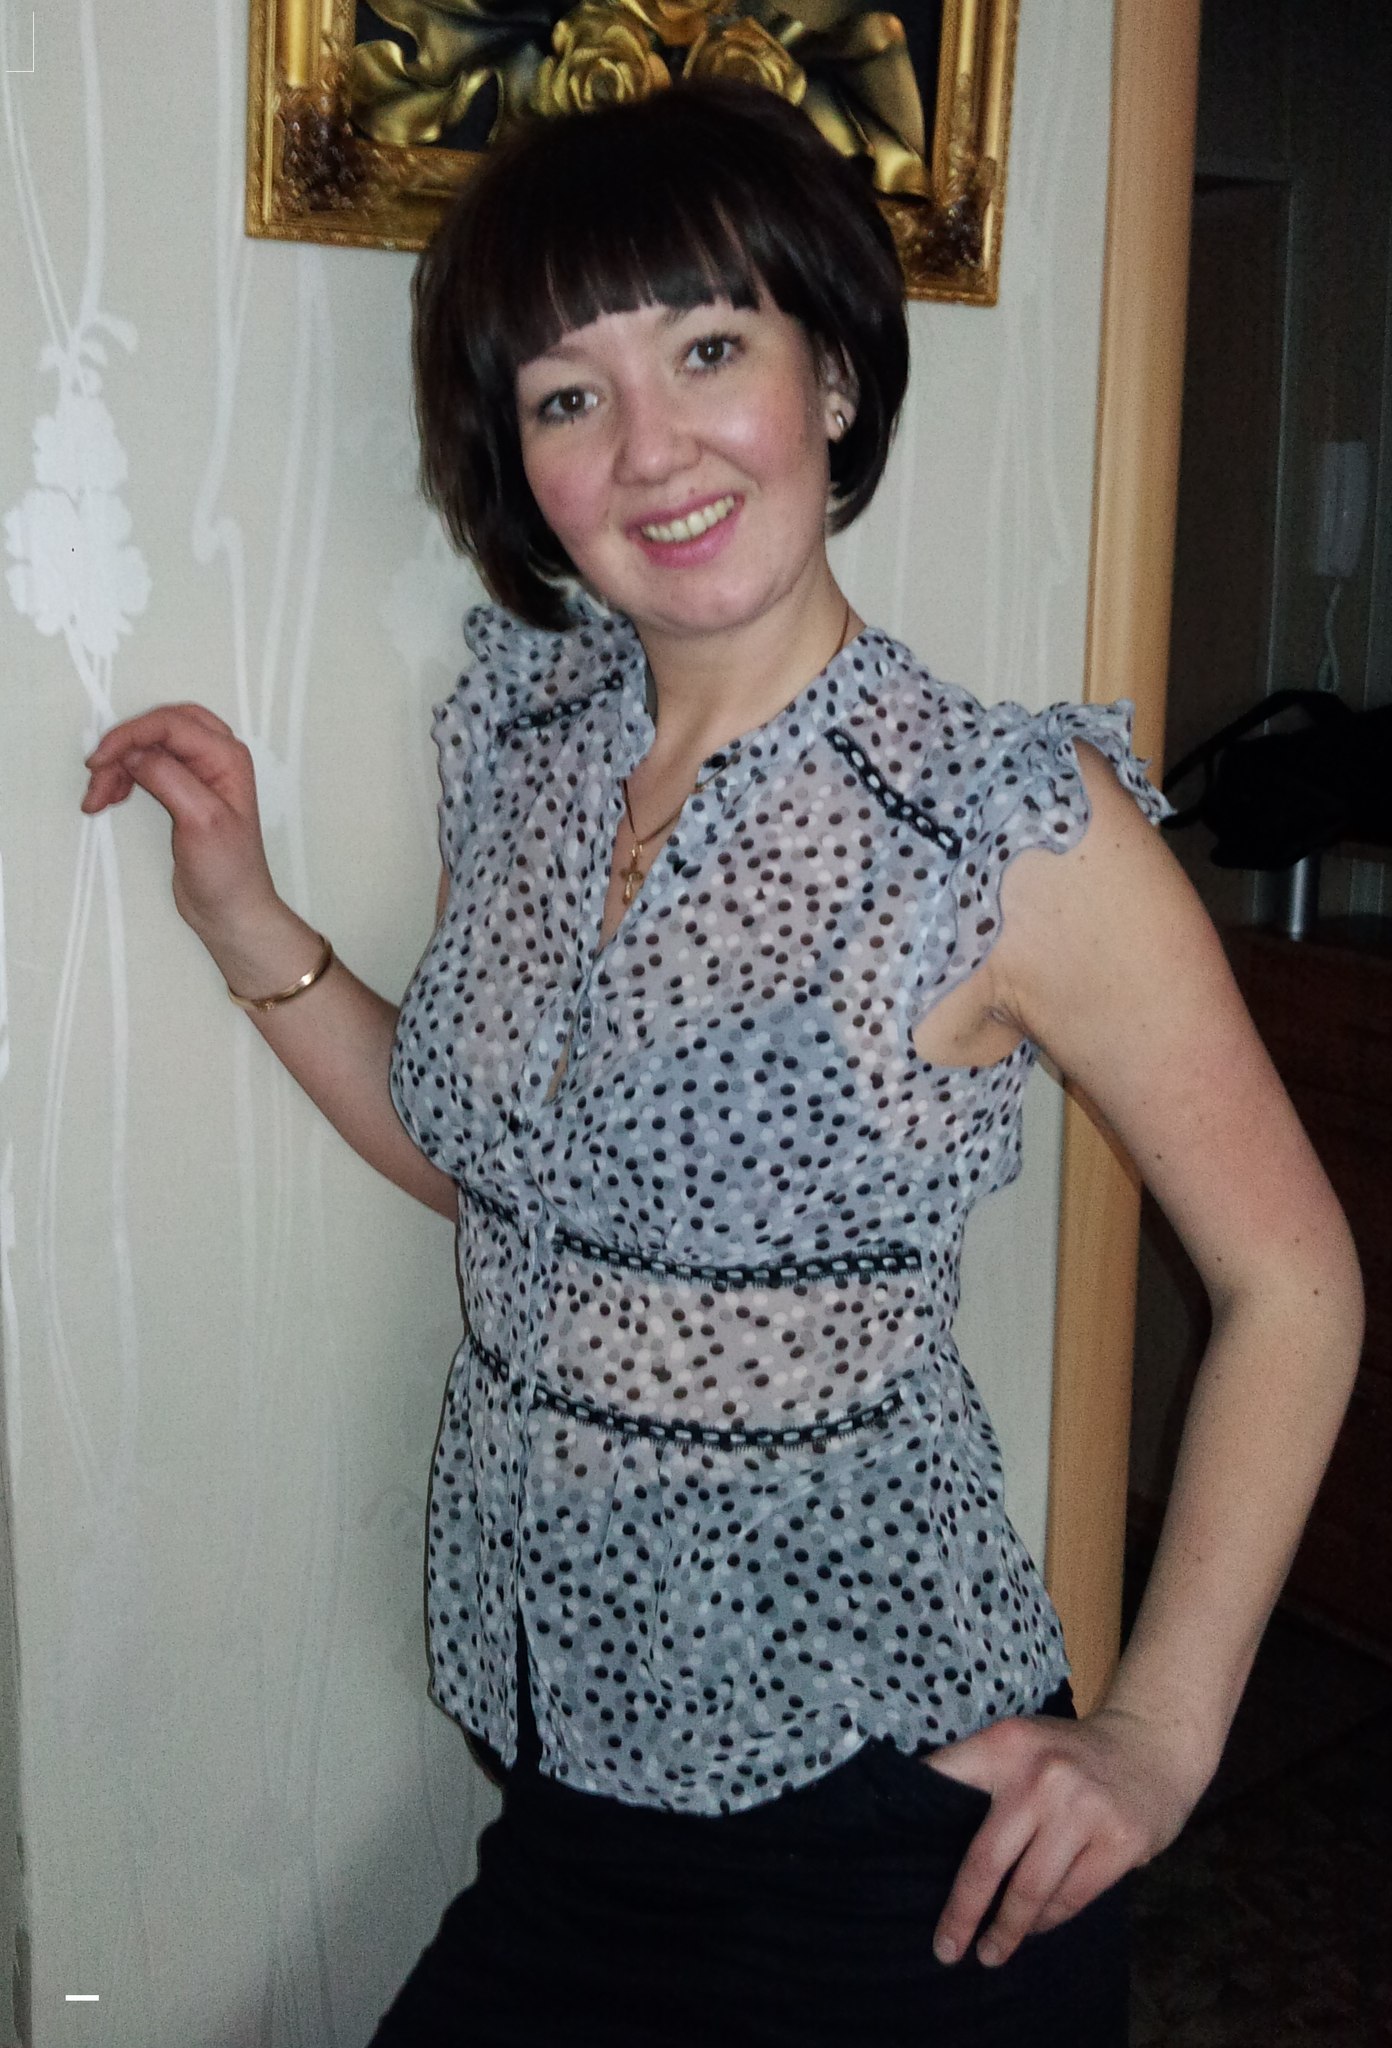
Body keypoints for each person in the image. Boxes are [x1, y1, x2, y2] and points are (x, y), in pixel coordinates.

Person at [82, 82, 1361, 2048]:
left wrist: (1164, 1735)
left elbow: (1293, 1282)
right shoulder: (528, 743)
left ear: (830, 377)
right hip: (565, 1789)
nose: (650, 448)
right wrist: (249, 923)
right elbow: (511, 1181)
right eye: (567, 396)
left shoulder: (1002, 827)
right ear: (518, 457)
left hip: (886, 1840)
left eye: (705, 349)